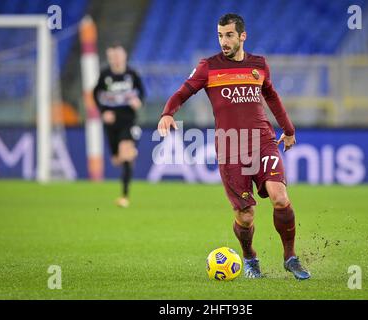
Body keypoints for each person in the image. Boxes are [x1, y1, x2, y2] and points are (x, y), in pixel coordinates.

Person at [157, 14, 310, 280]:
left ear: (242, 36)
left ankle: (290, 258)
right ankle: (250, 257)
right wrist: (168, 113)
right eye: (219, 35)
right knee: (246, 215)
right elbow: (182, 92)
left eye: (228, 35)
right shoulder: (208, 67)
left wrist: (288, 129)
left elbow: (271, 95)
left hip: (262, 140)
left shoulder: (259, 65)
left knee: (280, 197)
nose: (223, 41)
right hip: (231, 146)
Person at [94, 44, 145, 208]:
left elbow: (142, 92)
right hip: (111, 123)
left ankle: (124, 196)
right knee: (118, 159)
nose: (115, 59)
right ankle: (128, 153)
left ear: (124, 56)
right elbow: (96, 94)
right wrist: (103, 111)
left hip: (128, 120)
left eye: (118, 56)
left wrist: (139, 101)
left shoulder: (132, 74)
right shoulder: (105, 75)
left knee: (126, 153)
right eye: (112, 56)